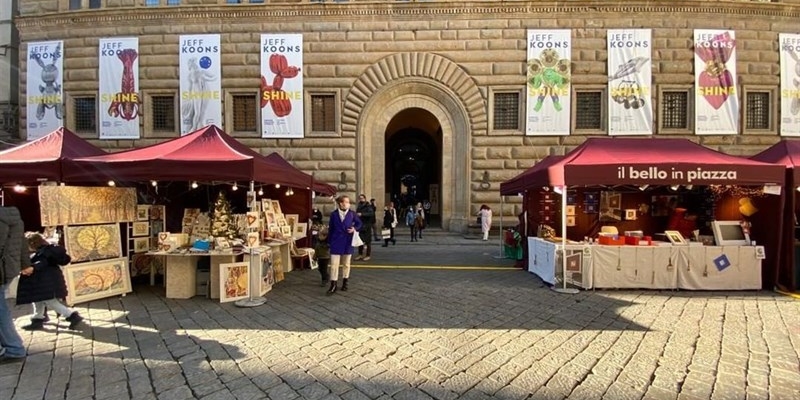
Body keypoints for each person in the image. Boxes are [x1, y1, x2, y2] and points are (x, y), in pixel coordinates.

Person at [17, 232, 84, 331]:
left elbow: (42, 263)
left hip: (46, 284)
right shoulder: (45, 250)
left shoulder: (44, 252)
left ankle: (72, 316)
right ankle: (37, 319)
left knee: (50, 301)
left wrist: (32, 268)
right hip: (44, 283)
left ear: (32, 244)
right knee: (38, 300)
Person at [0, 207, 27, 363]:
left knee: (1, 310)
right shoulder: (14, 217)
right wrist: (25, 264)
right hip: (9, 267)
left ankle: (13, 348)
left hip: (3, 268)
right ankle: (12, 347)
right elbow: (22, 242)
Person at [327, 195, 362, 295]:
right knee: (334, 265)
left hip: (347, 241)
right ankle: (333, 284)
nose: (347, 203)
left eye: (348, 202)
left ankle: (345, 282)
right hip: (336, 241)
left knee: (346, 263)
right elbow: (331, 228)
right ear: (340, 203)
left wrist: (354, 228)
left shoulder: (352, 214)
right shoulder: (334, 214)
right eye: (345, 202)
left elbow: (359, 224)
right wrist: (329, 242)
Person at [355, 194, 375, 261]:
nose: (361, 199)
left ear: (365, 198)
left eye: (362, 198)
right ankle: (360, 254)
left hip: (367, 226)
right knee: (360, 241)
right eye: (360, 198)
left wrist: (362, 214)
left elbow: (371, 213)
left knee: (368, 241)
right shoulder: (359, 205)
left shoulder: (368, 206)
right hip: (360, 225)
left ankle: (368, 255)